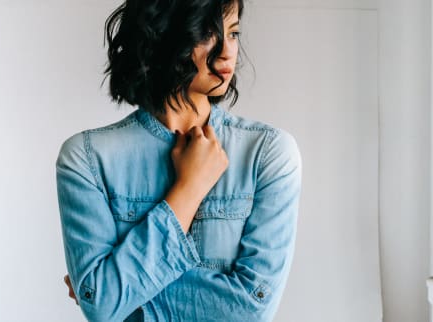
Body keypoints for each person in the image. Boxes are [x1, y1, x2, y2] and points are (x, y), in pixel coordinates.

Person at [55, 0, 302, 321]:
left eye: (234, 32)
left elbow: (251, 311)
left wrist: (114, 292)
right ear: (163, 32)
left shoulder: (268, 153)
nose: (228, 51)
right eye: (209, 32)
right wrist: (188, 189)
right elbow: (102, 306)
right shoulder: (86, 159)